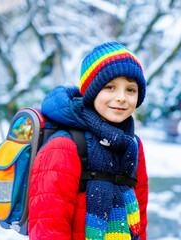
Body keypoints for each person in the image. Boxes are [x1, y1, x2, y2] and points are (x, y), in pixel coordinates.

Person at [28, 41, 148, 240]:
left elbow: (140, 212)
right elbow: (49, 226)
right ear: (91, 92)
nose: (121, 98)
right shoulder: (65, 145)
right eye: (110, 87)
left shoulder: (132, 145)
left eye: (131, 90)